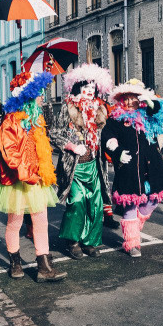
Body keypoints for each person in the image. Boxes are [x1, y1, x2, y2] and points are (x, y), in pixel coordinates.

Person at [0, 71, 66, 282]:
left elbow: (42, 149)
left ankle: (43, 265)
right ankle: (15, 262)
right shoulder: (10, 121)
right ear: (27, 95)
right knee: (15, 222)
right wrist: (27, 175)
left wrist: (43, 172)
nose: (42, 96)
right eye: (38, 93)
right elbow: (9, 153)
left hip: (37, 179)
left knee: (40, 222)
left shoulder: (37, 120)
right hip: (17, 180)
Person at [101, 79, 163, 258]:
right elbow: (107, 136)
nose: (128, 102)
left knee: (153, 200)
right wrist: (117, 152)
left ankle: (136, 222)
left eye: (133, 98)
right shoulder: (116, 119)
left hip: (152, 167)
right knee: (130, 205)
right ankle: (132, 243)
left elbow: (161, 112)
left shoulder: (147, 114)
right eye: (125, 98)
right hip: (129, 168)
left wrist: (149, 102)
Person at [51, 64, 113, 260]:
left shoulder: (100, 110)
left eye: (92, 89)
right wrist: (71, 146)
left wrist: (112, 141)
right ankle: (73, 241)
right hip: (74, 166)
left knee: (95, 203)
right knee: (76, 202)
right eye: (85, 88)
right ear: (78, 89)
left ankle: (91, 241)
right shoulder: (67, 109)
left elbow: (107, 133)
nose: (89, 92)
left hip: (94, 165)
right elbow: (53, 133)